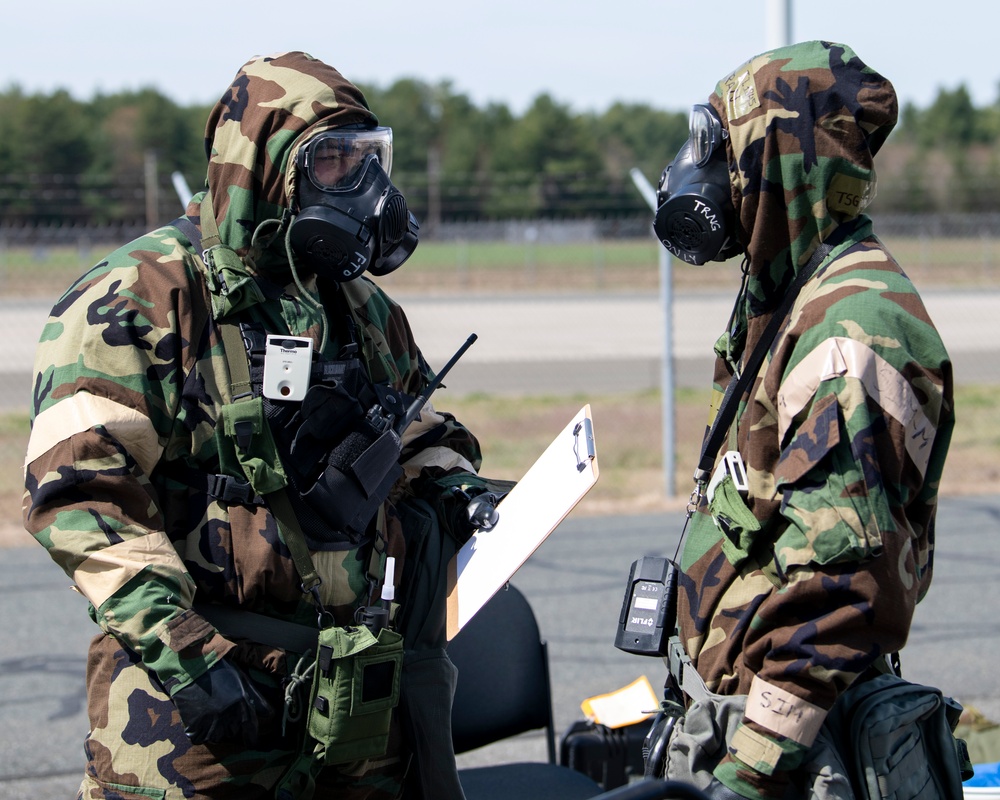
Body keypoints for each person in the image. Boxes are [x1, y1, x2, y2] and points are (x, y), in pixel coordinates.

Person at [22, 51, 510, 800]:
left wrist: (456, 485)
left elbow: (417, 427)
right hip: (200, 719)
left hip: (355, 707)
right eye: (333, 163)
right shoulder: (142, 296)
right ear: (264, 169)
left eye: (365, 160)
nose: (360, 185)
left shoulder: (362, 308)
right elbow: (82, 498)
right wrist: (190, 658)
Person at [649, 41, 955, 799]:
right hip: (771, 724)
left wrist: (747, 773)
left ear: (780, 155)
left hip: (796, 749)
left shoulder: (851, 330)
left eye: (721, 147)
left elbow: (839, 590)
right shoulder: (794, 294)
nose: (701, 172)